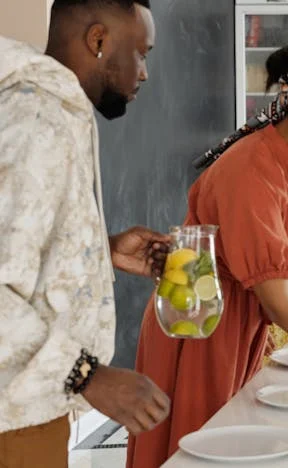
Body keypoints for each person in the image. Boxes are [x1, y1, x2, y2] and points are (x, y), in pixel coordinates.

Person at [128, 35, 288, 468]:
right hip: (200, 319)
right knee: (199, 448)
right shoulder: (251, 167)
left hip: (241, 320)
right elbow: (278, 300)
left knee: (234, 442)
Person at [0, 1, 171, 467]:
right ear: (98, 40)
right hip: (11, 423)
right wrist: (88, 375)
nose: (145, 72)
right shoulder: (36, 120)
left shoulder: (49, 110)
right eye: (141, 53)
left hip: (31, 408)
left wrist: (99, 249)